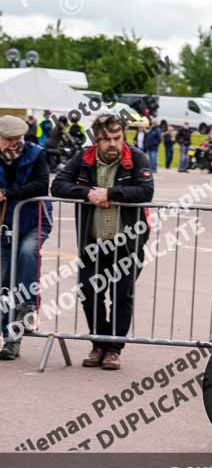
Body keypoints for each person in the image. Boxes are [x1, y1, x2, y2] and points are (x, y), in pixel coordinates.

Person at [51, 114, 154, 370]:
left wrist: (110, 193)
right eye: (106, 139)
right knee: (90, 293)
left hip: (127, 243)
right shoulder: (83, 158)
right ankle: (99, 344)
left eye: (117, 138)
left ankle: (114, 349)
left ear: (124, 137)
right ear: (96, 139)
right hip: (93, 241)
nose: (112, 144)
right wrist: (87, 193)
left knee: (122, 296)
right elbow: (58, 185)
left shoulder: (137, 158)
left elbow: (146, 191)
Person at [0, 116, 52, 360]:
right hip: (4, 226)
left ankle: (28, 305)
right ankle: (10, 340)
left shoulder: (36, 154)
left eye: (17, 139)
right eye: (8, 139)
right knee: (3, 282)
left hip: (34, 222)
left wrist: (8, 194)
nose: (13, 144)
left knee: (27, 252)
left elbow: (42, 185)